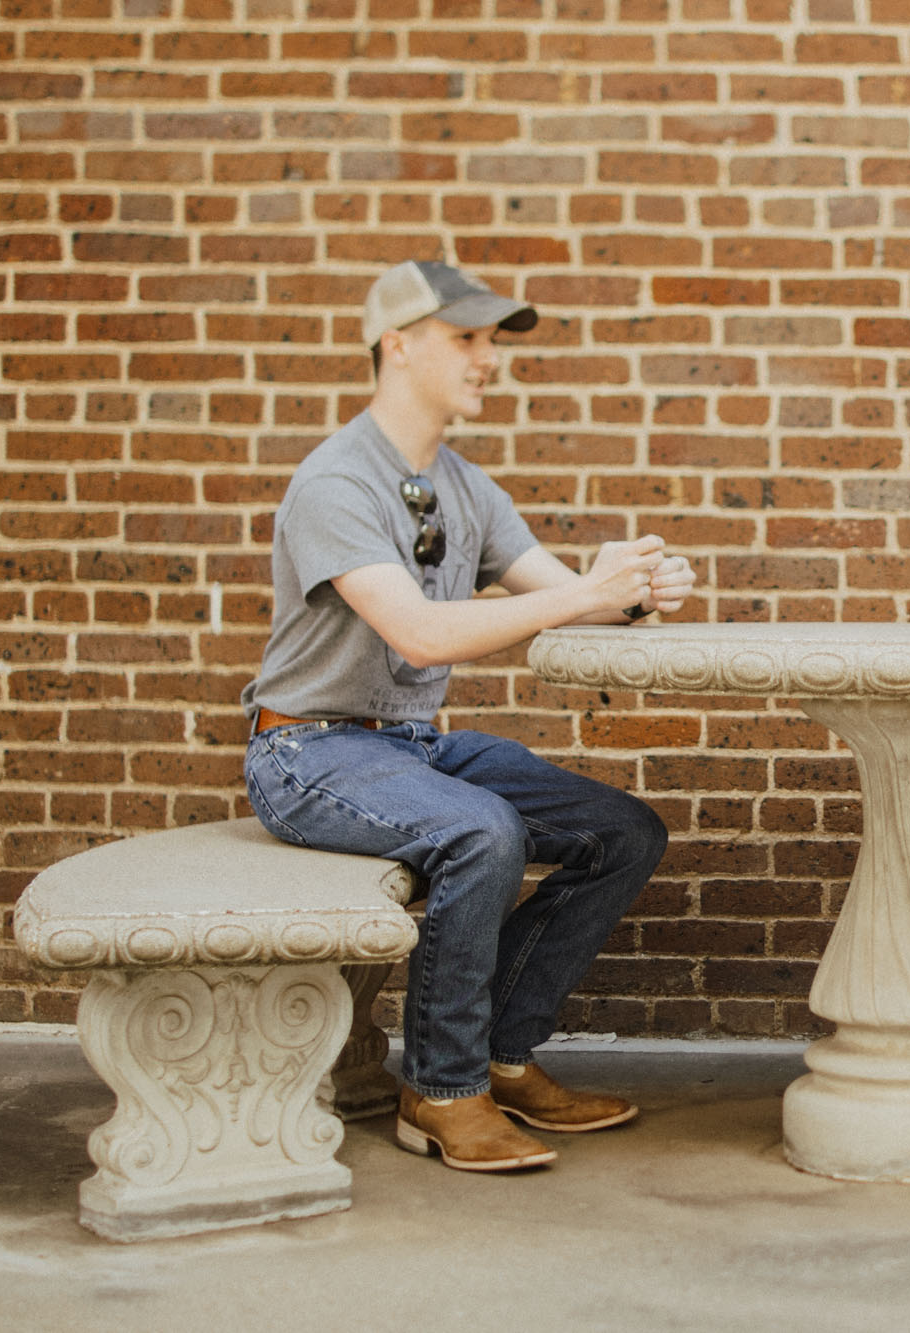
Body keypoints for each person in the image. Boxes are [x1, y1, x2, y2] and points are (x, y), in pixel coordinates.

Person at [242, 260, 697, 1173]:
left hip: (411, 747)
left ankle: (501, 1055)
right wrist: (587, 596)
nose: (488, 359)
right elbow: (416, 631)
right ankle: (442, 1091)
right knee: (482, 832)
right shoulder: (338, 482)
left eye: (494, 341)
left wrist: (636, 590)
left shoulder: (463, 485)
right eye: (467, 338)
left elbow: (566, 598)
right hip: (306, 750)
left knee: (622, 831)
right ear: (397, 345)